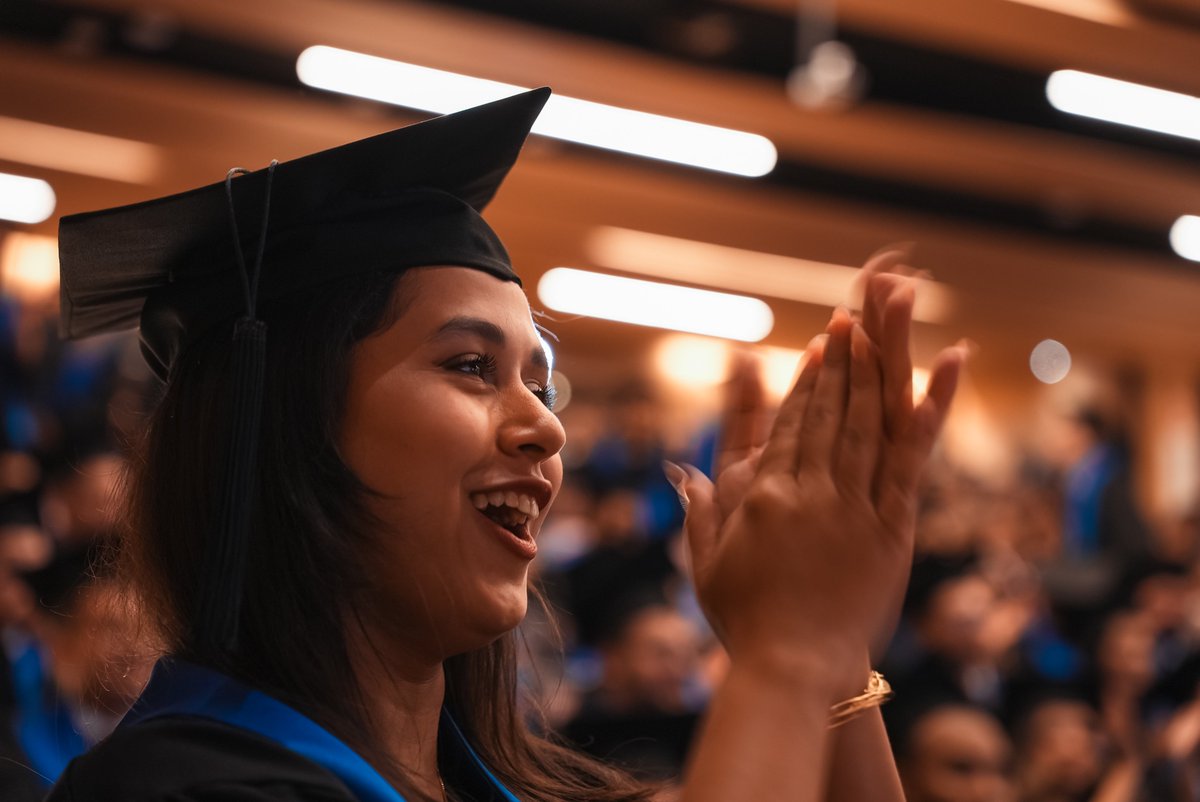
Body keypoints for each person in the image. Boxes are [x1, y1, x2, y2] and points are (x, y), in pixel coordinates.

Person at [46, 88, 965, 801]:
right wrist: (787, 656)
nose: (548, 426)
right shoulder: (183, 786)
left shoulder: (510, 785)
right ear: (293, 426)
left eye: (541, 380)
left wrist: (831, 647)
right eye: (471, 367)